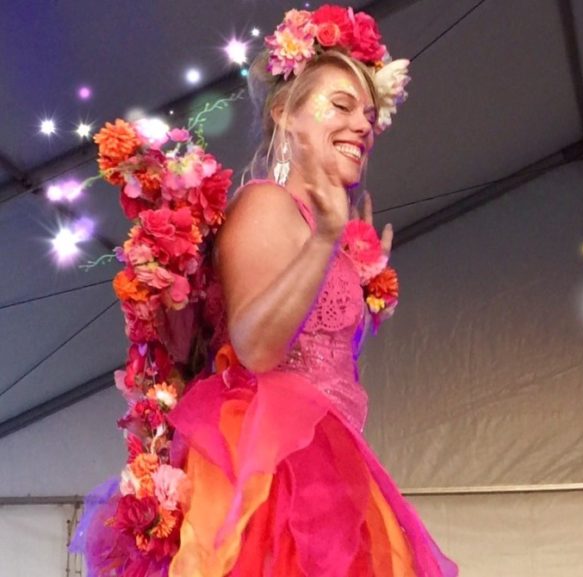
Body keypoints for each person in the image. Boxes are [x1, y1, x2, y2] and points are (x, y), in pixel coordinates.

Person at [78, 6, 457, 577]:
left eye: (371, 116)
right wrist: (326, 238)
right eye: (342, 106)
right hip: (275, 473)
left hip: (330, 467)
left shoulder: (317, 226)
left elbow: (325, 357)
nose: (364, 126)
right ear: (284, 112)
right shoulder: (265, 203)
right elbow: (255, 348)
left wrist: (355, 273)